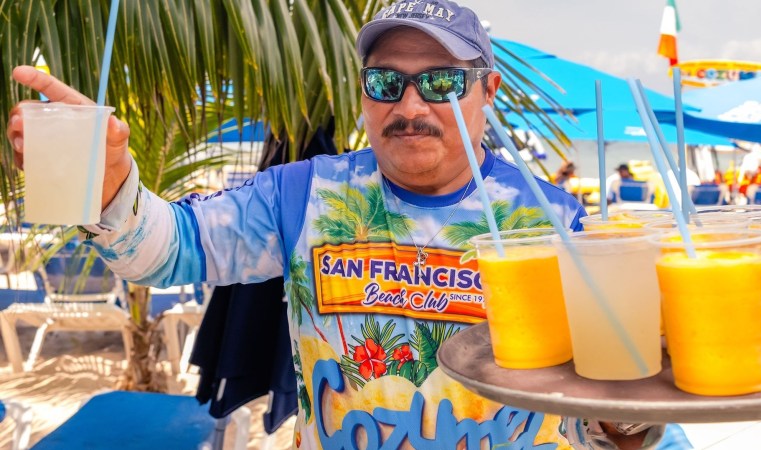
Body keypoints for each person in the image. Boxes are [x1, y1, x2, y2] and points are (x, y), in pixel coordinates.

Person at [6, 1, 690, 448]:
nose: (412, 103)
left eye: (443, 82)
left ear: (489, 90)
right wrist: (113, 189)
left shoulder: (557, 222)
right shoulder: (306, 195)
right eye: (386, 82)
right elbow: (169, 251)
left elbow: (598, 417)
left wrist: (628, 419)